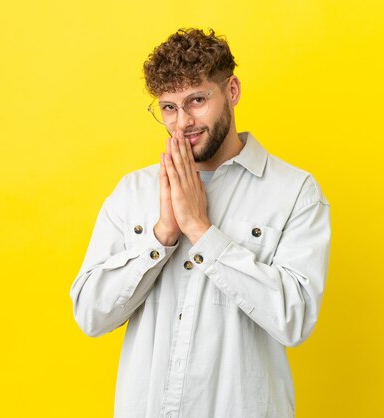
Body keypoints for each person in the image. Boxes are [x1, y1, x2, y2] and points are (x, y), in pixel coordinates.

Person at [69, 28, 331, 418]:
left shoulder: (295, 192)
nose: (182, 122)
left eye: (197, 100)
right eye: (169, 107)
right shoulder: (132, 191)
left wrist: (201, 231)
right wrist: (162, 237)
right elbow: (91, 315)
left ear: (232, 91)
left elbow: (294, 319)